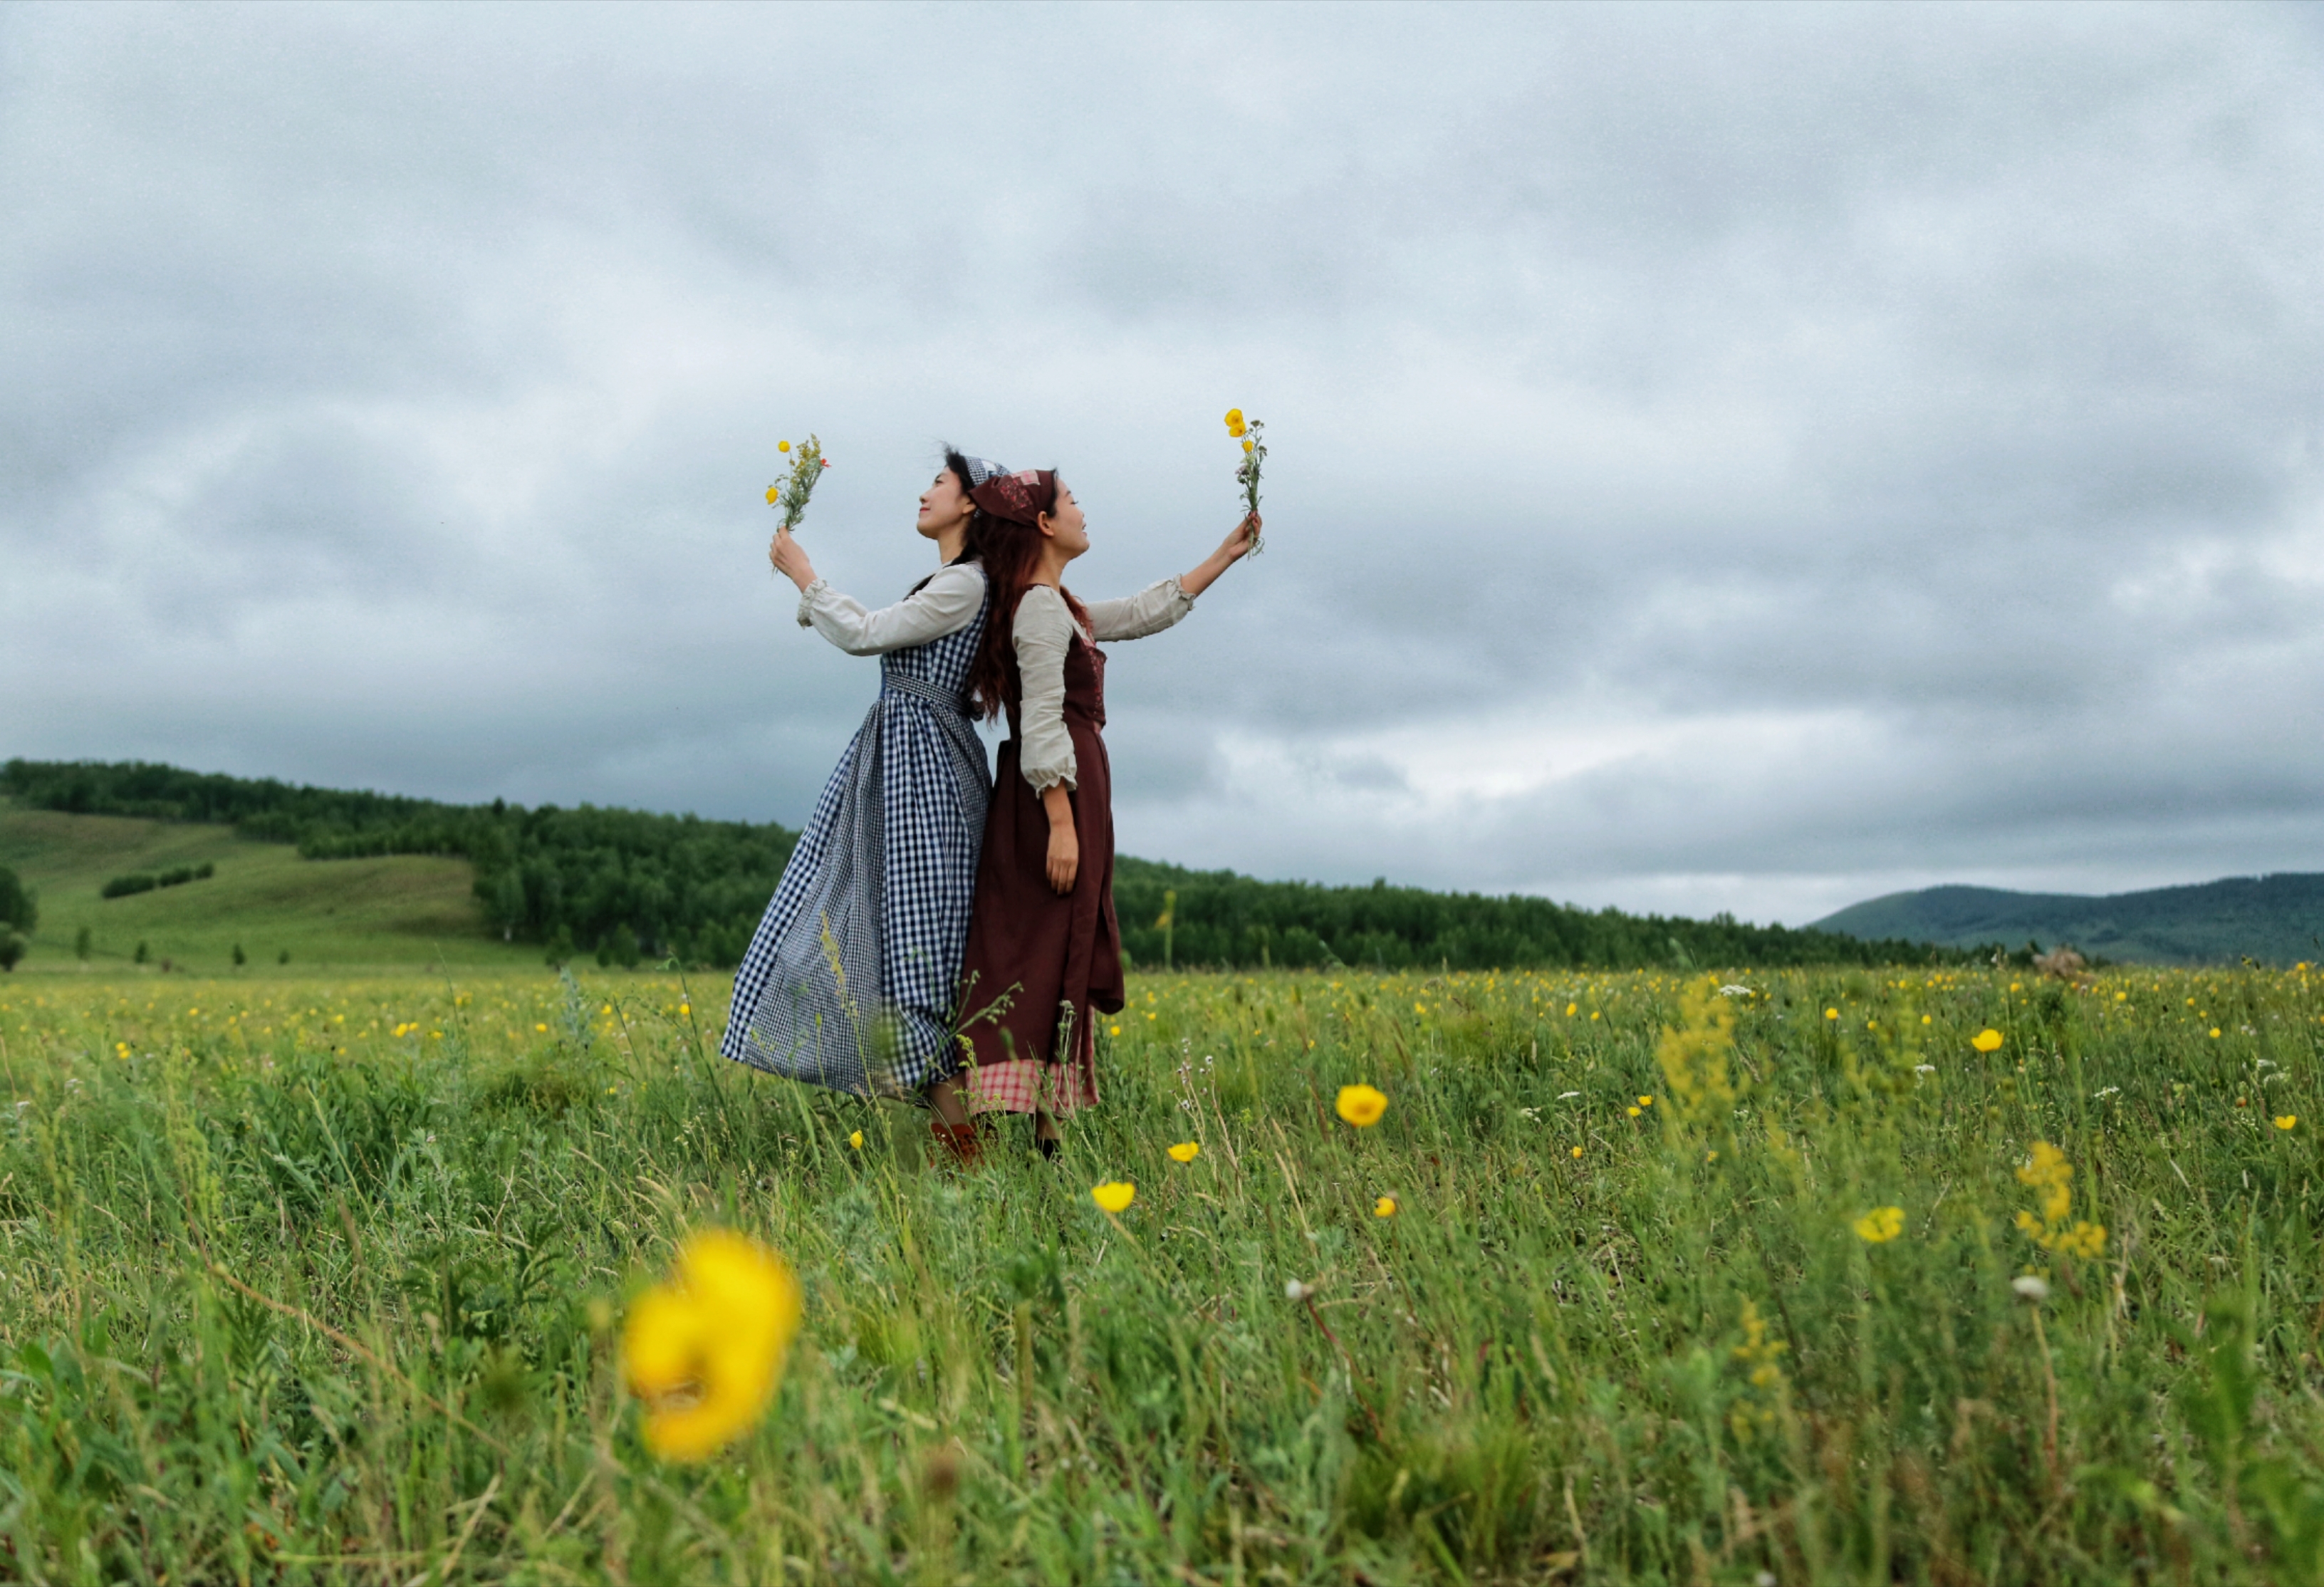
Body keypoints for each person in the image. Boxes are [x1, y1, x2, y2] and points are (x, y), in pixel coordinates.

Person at [944, 468, 1258, 1158]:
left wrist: (1224, 555)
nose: (1082, 511)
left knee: (1063, 942)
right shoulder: (1037, 608)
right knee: (1038, 946)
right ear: (1044, 524)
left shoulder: (1061, 605)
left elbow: (1143, 612)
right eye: (1071, 501)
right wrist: (1060, 821)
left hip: (1073, 790)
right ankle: (987, 1122)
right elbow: (1040, 720)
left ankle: (1044, 1130)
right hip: (1049, 798)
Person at [721, 449, 1011, 1123]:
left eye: (938, 483)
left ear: (971, 502)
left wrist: (805, 576)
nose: (924, 493)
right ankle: (957, 1137)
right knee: (888, 929)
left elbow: (865, 633)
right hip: (904, 761)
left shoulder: (967, 583)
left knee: (919, 940)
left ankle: (964, 1148)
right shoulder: (954, 582)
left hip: (926, 770)